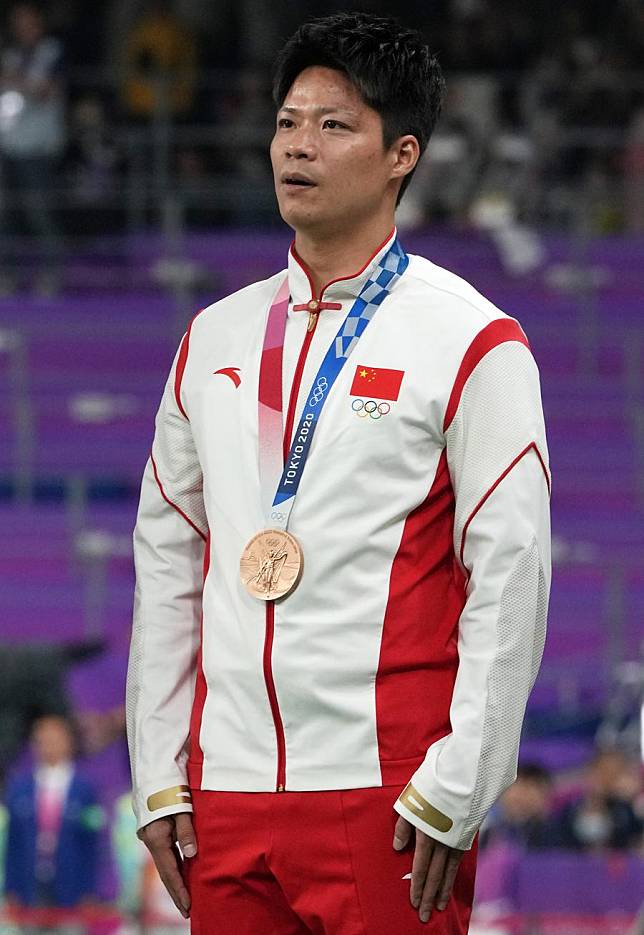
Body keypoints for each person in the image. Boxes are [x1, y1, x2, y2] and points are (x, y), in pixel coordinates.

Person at [126, 12, 551, 933]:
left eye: (333, 125)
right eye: (287, 122)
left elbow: (512, 570)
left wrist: (461, 777)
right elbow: (166, 561)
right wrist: (160, 774)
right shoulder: (213, 339)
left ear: (402, 154)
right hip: (227, 799)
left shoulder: (472, 340)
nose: (298, 146)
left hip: (391, 795)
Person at [4, 715, 104, 929]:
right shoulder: (20, 788)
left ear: (69, 742)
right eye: (42, 740)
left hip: (72, 888)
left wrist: (92, 890)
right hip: (28, 887)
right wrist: (10, 888)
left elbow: (94, 844)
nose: (48, 746)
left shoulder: (85, 790)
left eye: (54, 739)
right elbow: (13, 843)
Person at [0, 1, 65, 295]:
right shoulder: (12, 54)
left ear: (38, 23)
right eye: (17, 21)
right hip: (8, 145)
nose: (21, 26)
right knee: (6, 215)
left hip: (38, 148)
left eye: (27, 20)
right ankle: (8, 276)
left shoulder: (52, 51)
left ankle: (53, 275)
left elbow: (44, 91)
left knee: (40, 214)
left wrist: (14, 81)